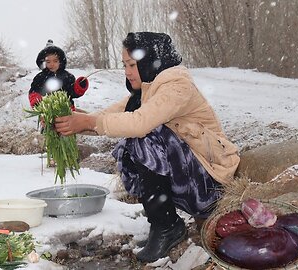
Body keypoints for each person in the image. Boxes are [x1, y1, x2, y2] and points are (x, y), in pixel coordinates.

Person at [54, 32, 240, 262]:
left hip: (211, 182)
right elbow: (112, 115)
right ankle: (164, 224)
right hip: (192, 176)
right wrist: (74, 121)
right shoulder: (148, 88)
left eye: (132, 64)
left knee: (144, 138)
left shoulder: (176, 86)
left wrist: (90, 122)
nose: (127, 71)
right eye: (124, 65)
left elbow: (139, 122)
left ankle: (166, 226)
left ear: (149, 60)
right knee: (135, 140)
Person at [28, 39, 89, 112]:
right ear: (43, 63)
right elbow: (34, 91)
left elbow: (72, 92)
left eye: (55, 61)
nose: (52, 64)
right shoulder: (40, 77)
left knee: (69, 122)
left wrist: (79, 86)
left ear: (60, 62)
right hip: (48, 112)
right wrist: (37, 102)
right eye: (48, 61)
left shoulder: (67, 77)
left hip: (66, 110)